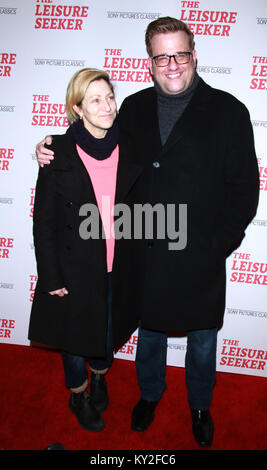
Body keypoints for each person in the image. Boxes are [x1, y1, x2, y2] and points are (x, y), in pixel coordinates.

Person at [35, 17, 259, 447]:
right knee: (150, 334)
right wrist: (49, 144)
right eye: (162, 56)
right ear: (150, 62)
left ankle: (199, 406)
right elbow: (89, 140)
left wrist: (217, 246)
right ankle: (150, 396)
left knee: (203, 341)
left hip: (200, 256)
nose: (172, 64)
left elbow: (245, 189)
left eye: (180, 54)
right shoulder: (132, 108)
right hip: (146, 254)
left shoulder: (230, 111)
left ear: (194, 55)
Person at [28, 68, 141, 433]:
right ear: (77, 108)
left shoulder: (131, 146)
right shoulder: (57, 151)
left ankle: (100, 377)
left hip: (118, 266)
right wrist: (51, 276)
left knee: (107, 330)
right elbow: (43, 220)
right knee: (74, 338)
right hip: (74, 269)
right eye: (95, 99)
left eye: (109, 97)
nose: (106, 105)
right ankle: (78, 393)